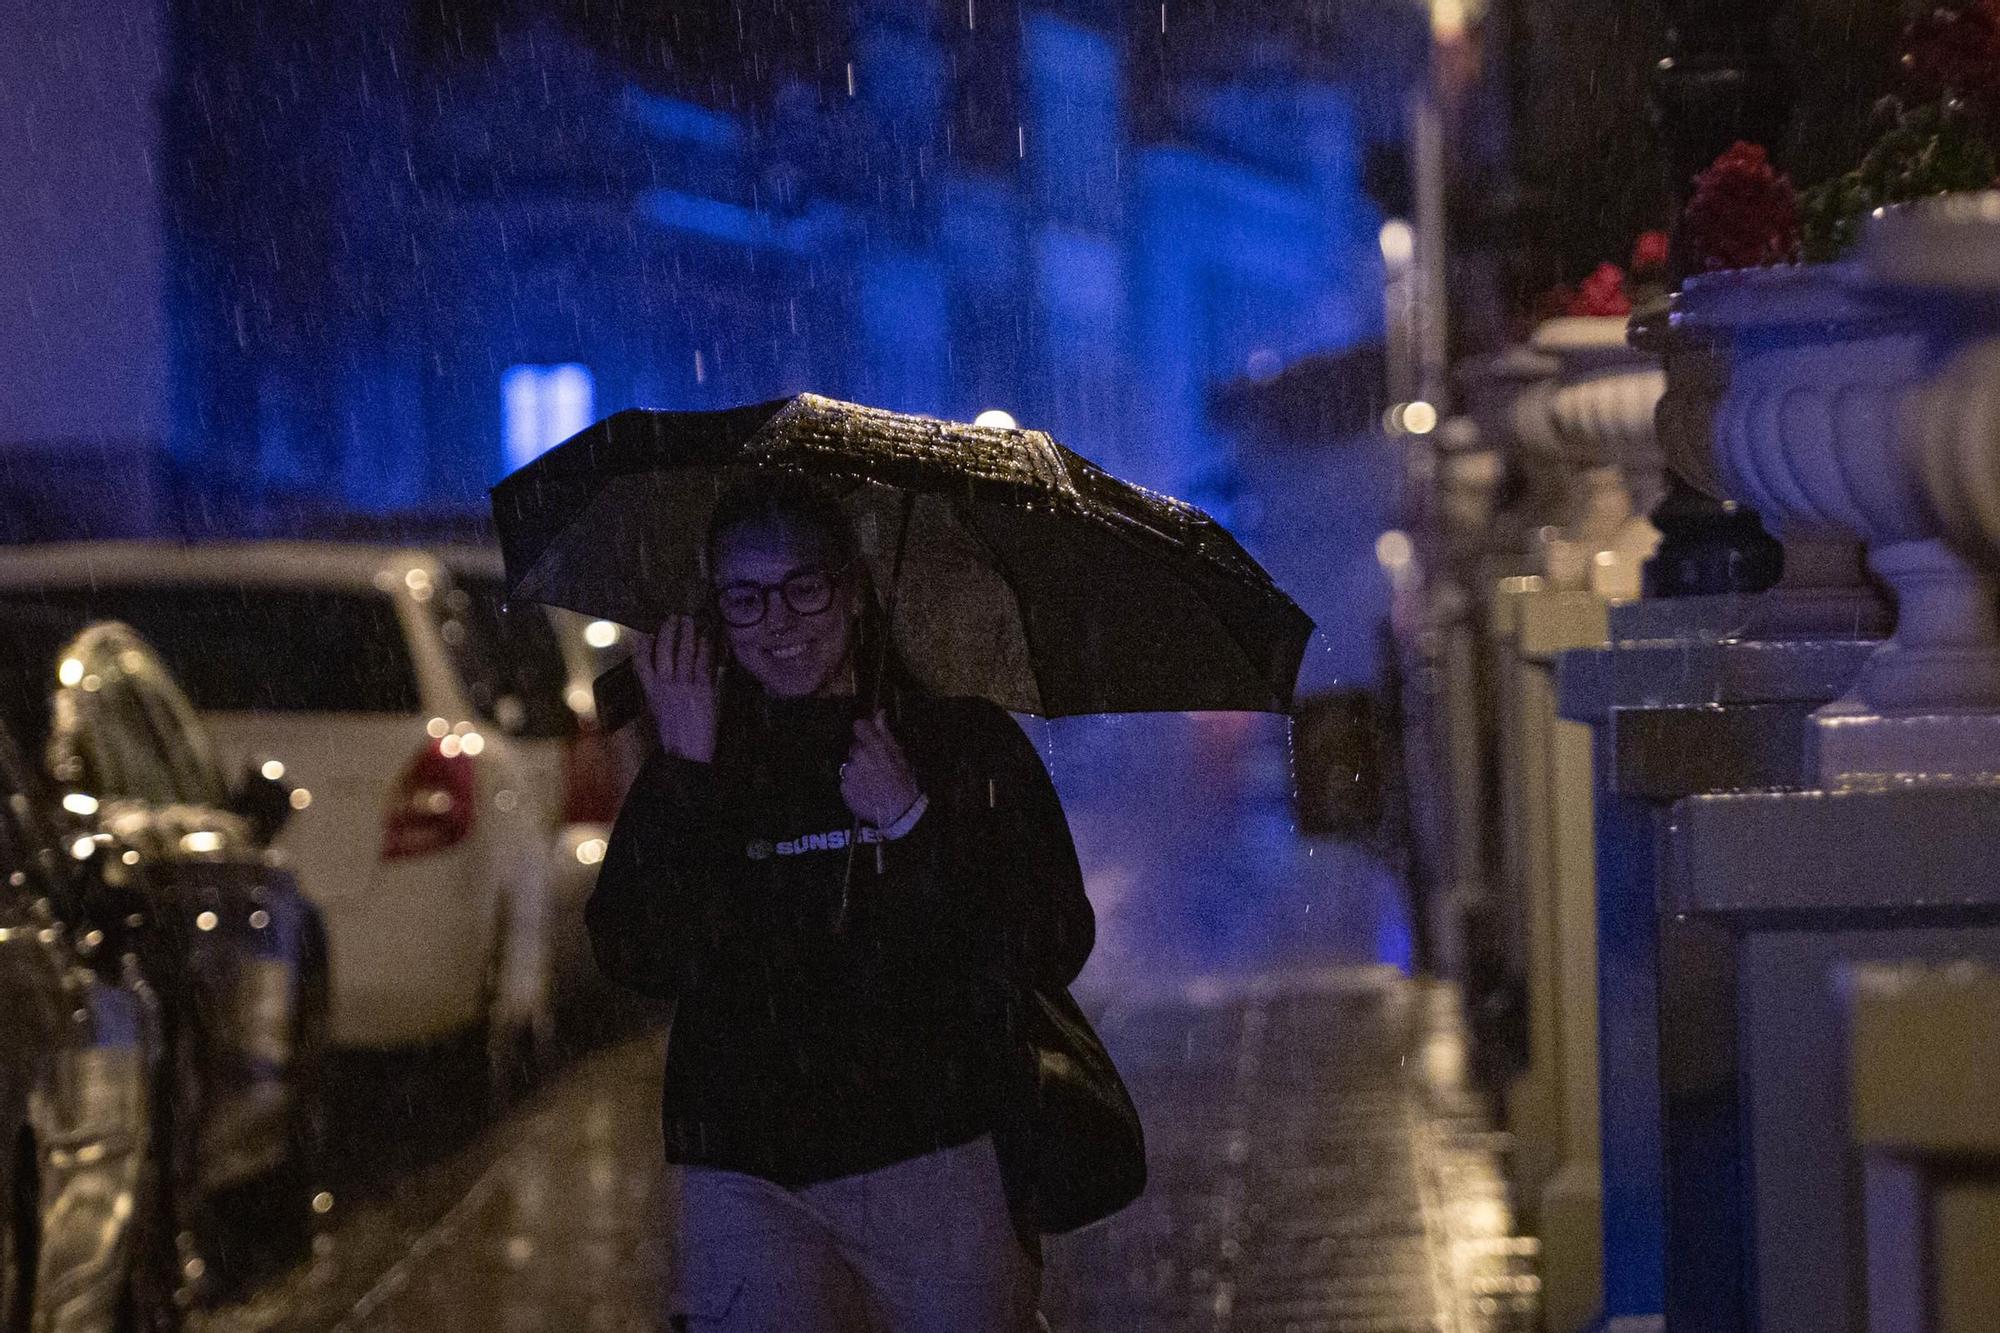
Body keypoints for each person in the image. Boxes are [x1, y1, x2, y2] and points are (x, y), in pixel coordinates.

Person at [585, 473, 1095, 1333]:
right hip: (747, 1170)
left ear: (855, 590)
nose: (777, 621)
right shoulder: (704, 747)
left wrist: (911, 821)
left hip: (936, 1150)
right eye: (744, 599)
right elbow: (641, 955)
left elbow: (1050, 941)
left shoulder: (957, 740)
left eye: (803, 587)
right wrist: (684, 772)